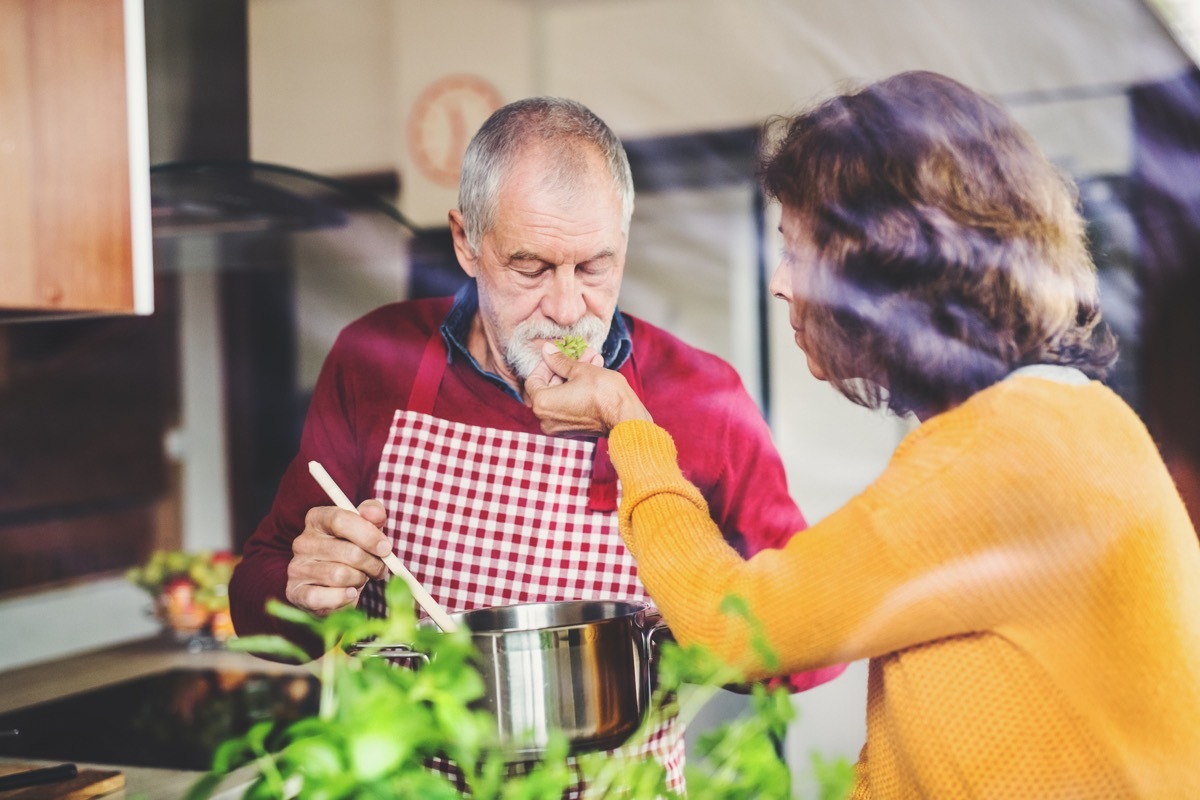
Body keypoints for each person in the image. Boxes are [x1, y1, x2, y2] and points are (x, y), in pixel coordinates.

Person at [525, 71, 1200, 797]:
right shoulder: (1044, 424)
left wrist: (629, 424)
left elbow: (734, 631)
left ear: (878, 266)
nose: (781, 282)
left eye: (796, 248)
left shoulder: (1009, 450)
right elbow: (915, 743)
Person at [229, 96, 843, 794]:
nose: (566, 309)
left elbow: (814, 648)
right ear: (466, 241)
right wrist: (304, 592)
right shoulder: (373, 359)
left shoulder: (703, 400)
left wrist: (682, 630)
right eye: (530, 268)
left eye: (594, 268)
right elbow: (256, 592)